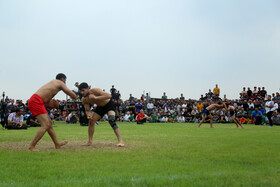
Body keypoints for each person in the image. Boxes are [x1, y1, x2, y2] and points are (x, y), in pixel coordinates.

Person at [28, 73, 77, 151]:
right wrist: (76, 96)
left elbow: (46, 102)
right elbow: (70, 93)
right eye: (65, 81)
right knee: (46, 125)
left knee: (49, 124)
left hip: (38, 102)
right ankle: (32, 146)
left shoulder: (53, 85)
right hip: (36, 101)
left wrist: (53, 105)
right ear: (63, 79)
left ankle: (57, 143)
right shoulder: (59, 82)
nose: (65, 83)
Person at [78, 82, 124, 147]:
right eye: (80, 91)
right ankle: (89, 141)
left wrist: (95, 98)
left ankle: (120, 141)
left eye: (83, 90)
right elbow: (87, 110)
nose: (82, 93)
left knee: (111, 120)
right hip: (100, 107)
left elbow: (108, 96)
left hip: (109, 104)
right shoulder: (84, 99)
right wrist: (89, 115)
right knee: (91, 121)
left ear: (88, 88)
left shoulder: (95, 91)